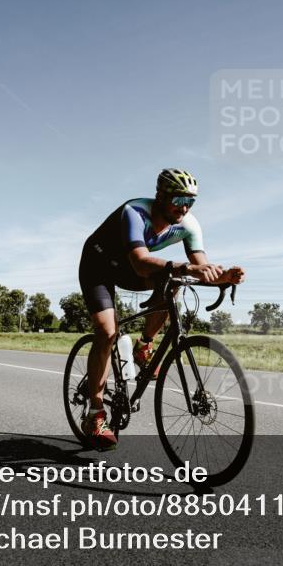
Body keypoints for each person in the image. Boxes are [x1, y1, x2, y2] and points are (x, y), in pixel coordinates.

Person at [78, 168, 244, 450]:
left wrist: (222, 275)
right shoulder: (135, 212)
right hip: (99, 266)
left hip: (131, 269)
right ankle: (95, 413)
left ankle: (144, 345)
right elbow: (141, 263)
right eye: (179, 199)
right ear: (160, 195)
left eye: (190, 201)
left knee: (174, 283)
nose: (184, 207)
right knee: (107, 331)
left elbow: (199, 265)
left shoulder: (189, 224)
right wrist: (187, 267)